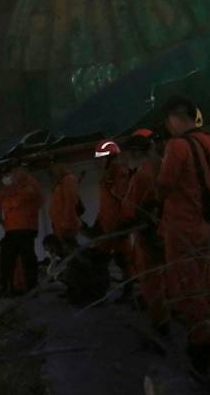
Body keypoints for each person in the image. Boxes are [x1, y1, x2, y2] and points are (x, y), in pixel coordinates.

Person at [156, 96, 210, 378]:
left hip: (182, 225)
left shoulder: (176, 146)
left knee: (189, 284)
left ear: (174, 117)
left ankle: (202, 345)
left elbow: (165, 184)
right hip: (204, 223)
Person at [125, 129, 170, 335]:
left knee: (151, 279)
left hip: (148, 232)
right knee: (168, 273)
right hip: (162, 230)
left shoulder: (143, 173)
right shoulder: (161, 165)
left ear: (135, 152)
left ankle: (160, 322)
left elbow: (140, 206)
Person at [94, 140, 137, 297]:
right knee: (103, 259)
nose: (99, 162)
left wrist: (126, 221)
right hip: (108, 226)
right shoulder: (107, 177)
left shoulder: (119, 175)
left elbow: (125, 200)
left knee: (124, 259)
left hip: (118, 226)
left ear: (110, 158)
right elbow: (105, 203)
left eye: (101, 158)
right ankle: (101, 290)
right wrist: (98, 222)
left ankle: (129, 291)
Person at [0, 163, 44, 295]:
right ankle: (8, 287)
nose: (7, 177)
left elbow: (28, 199)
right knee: (8, 259)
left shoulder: (29, 184)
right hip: (12, 229)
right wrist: (4, 223)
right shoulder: (7, 188)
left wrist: (10, 201)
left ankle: (31, 288)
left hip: (25, 227)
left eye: (9, 173)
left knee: (26, 258)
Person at [48, 162, 84, 251]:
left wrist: (67, 222)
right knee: (68, 250)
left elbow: (70, 202)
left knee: (71, 250)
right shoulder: (61, 184)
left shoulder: (67, 181)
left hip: (65, 225)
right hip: (61, 225)